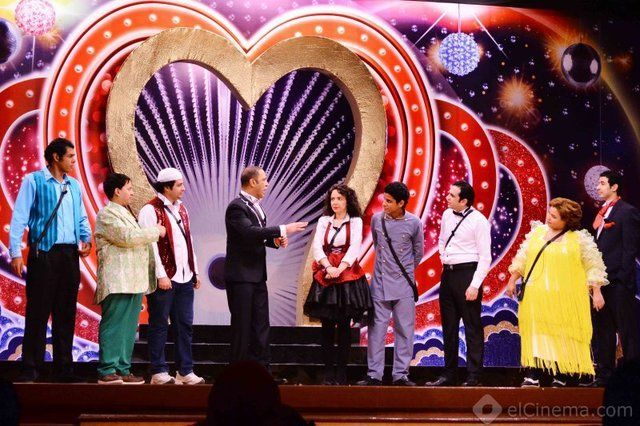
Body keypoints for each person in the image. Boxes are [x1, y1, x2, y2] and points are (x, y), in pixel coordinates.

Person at [9, 138, 92, 383]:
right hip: (44, 253)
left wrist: (86, 238)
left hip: (69, 255)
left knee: (66, 312)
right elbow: (19, 217)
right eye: (70, 157)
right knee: (38, 311)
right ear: (56, 157)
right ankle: (30, 367)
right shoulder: (34, 180)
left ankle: (64, 369)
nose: (74, 161)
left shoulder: (74, 185)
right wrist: (16, 252)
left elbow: (81, 215)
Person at [506, 197, 608, 387]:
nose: (548, 218)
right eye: (549, 213)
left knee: (562, 333)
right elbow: (523, 258)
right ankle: (533, 374)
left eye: (554, 216)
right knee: (537, 333)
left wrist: (597, 291)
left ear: (566, 220)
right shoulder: (537, 233)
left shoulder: (579, 240)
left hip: (565, 298)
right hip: (537, 295)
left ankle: (561, 374)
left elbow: (594, 265)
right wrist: (512, 280)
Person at [224, 166, 307, 369]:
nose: (267, 184)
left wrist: (274, 241)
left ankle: (262, 370)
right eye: (264, 180)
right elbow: (248, 233)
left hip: (258, 276)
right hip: (241, 277)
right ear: (252, 182)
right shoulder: (236, 207)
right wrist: (283, 229)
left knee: (261, 325)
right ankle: (237, 373)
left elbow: (257, 236)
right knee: (242, 328)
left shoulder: (256, 207)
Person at [94, 173, 166, 384]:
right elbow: (127, 237)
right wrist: (155, 231)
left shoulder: (125, 214)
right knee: (114, 325)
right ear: (117, 191)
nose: (132, 193)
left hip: (133, 279)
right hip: (117, 280)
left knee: (128, 328)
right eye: (129, 188)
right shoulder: (107, 214)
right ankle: (107, 369)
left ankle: (123, 368)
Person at [138, 167, 204, 385]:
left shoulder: (182, 209)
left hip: (184, 277)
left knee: (184, 325)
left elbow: (188, 241)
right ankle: (158, 370)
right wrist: (161, 275)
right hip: (165, 277)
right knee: (159, 324)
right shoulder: (150, 210)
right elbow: (150, 246)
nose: (183, 188)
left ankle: (185, 370)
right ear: (166, 188)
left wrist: (194, 270)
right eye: (179, 185)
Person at [303, 184, 373, 385]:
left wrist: (340, 269)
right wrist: (327, 267)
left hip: (346, 274)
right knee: (326, 326)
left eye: (339, 199)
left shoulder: (356, 221)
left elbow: (354, 247)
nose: (335, 202)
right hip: (326, 272)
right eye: (333, 199)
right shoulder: (324, 220)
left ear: (347, 201)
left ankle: (341, 373)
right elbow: (317, 246)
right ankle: (328, 372)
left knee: (343, 326)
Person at [357, 182, 424, 386]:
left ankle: (401, 374)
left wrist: (404, 272)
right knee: (376, 330)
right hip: (379, 284)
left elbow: (418, 253)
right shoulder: (377, 220)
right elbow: (378, 245)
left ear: (401, 203)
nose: (384, 204)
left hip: (404, 285)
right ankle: (374, 375)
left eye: (389, 201)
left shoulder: (414, 222)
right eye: (384, 200)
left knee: (404, 330)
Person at [428, 180, 491, 387]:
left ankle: (474, 375)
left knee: (472, 326)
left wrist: (474, 285)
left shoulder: (479, 221)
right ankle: (449, 373)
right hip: (448, 274)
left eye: (452, 195)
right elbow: (442, 240)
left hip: (467, 274)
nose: (447, 197)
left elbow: (485, 257)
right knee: (449, 326)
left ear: (463, 201)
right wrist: (443, 258)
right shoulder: (447, 215)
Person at [586, 170, 640, 387]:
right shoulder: (602, 212)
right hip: (601, 282)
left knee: (627, 331)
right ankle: (604, 375)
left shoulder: (627, 212)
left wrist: (623, 278)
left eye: (602, 183)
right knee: (603, 329)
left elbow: (630, 248)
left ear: (614, 187)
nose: (598, 187)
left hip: (619, 282)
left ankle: (633, 376)